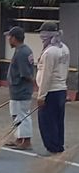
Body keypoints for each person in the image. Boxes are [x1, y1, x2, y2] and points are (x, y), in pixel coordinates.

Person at [36, 21, 70, 155]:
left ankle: (53, 148)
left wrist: (41, 96)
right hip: (61, 89)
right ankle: (58, 145)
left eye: (42, 33)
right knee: (58, 120)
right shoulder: (64, 48)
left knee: (47, 122)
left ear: (47, 35)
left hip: (51, 91)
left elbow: (46, 75)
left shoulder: (49, 52)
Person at [4, 26, 35, 151]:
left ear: (14, 38)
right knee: (16, 114)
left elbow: (26, 74)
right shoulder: (22, 50)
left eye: (9, 37)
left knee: (23, 114)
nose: (8, 39)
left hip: (21, 90)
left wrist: (33, 85)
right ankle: (19, 137)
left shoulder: (22, 52)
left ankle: (26, 140)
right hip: (16, 90)